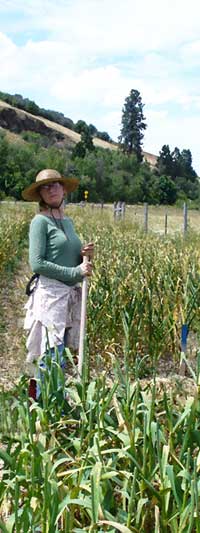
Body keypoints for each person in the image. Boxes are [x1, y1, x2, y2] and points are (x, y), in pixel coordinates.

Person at [22, 168, 94, 400]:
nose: (51, 189)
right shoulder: (39, 222)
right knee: (52, 353)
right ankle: (46, 406)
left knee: (60, 352)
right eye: (45, 186)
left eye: (55, 184)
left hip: (69, 295)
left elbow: (68, 256)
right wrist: (75, 271)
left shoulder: (68, 222)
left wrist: (84, 255)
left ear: (63, 189)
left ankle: (52, 401)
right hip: (51, 295)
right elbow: (38, 263)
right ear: (40, 194)